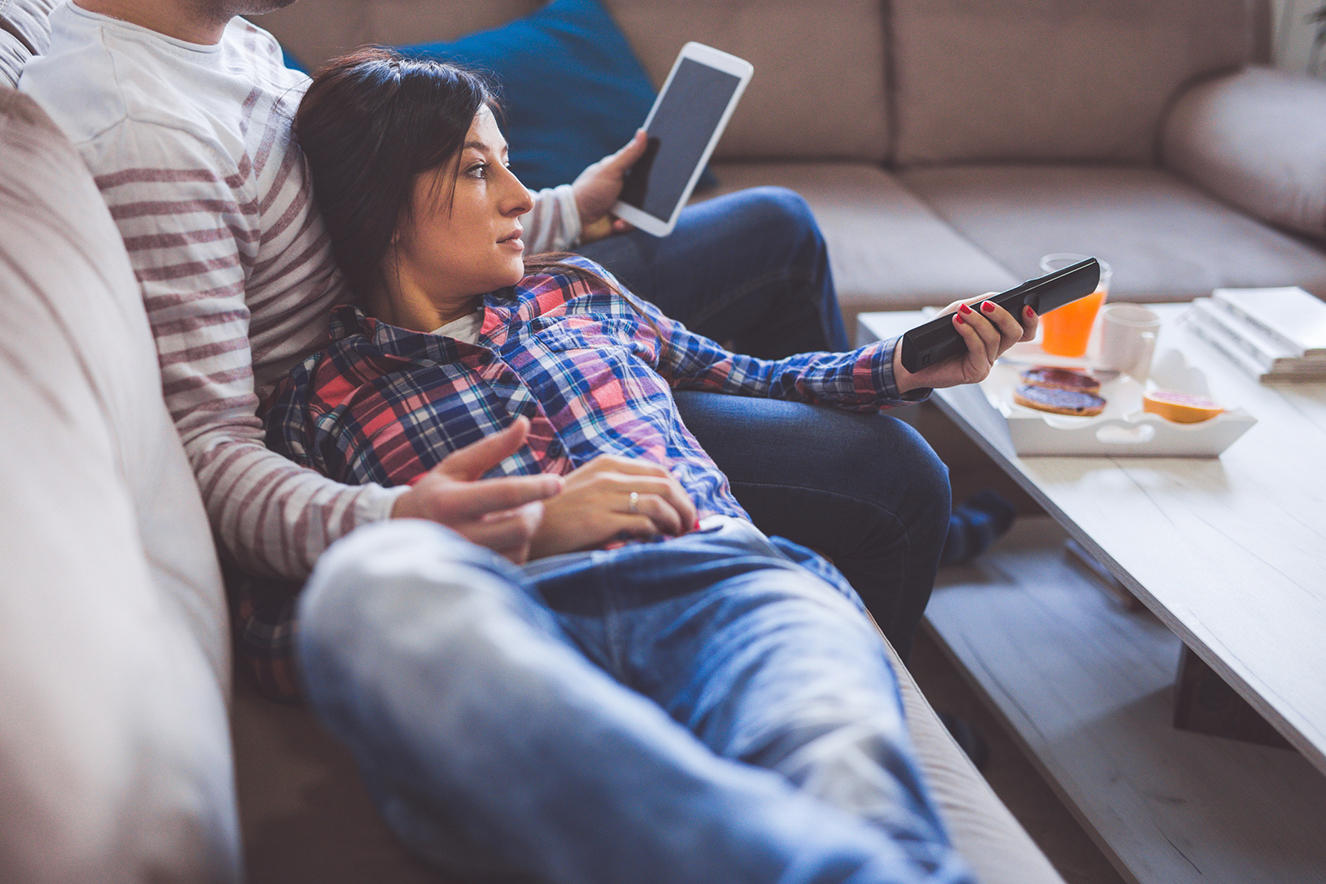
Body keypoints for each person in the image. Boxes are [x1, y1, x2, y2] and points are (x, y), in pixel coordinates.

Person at [258, 47, 1037, 882]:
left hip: (724, 586)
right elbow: (275, 633)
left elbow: (758, 380)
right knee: (371, 586)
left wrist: (907, 365)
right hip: (526, 630)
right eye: (478, 171)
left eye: (508, 165)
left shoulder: (576, 289)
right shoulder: (318, 402)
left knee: (836, 751)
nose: (523, 198)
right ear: (383, 206)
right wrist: (521, 534)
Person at [19, 0, 957, 666]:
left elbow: (381, 197)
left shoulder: (222, 37)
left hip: (466, 304)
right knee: (895, 476)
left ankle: (853, 568)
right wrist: (408, 523)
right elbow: (209, 445)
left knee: (775, 228)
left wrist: (562, 210)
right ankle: (884, 619)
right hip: (402, 385)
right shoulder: (144, 133)